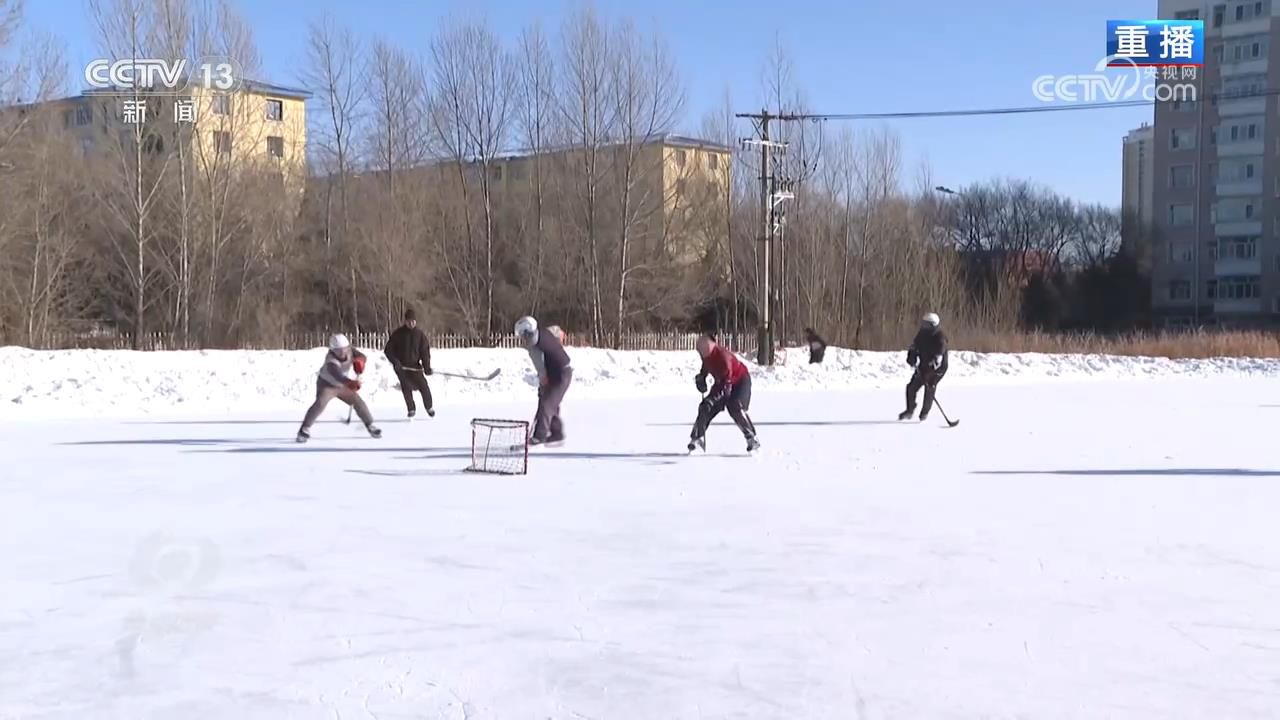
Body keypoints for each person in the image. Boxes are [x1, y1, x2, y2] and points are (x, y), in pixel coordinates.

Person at [297, 333, 382, 443]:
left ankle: (370, 424)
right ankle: (305, 428)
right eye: (338, 350)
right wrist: (350, 383)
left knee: (357, 401)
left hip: (342, 385)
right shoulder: (331, 360)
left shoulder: (350, 351)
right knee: (320, 403)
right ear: (333, 350)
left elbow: (362, 356)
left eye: (344, 349)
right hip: (327, 385)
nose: (342, 352)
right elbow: (338, 375)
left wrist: (360, 362)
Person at [689, 335, 760, 453]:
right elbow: (706, 368)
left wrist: (713, 399)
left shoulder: (723, 357)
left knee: (735, 406)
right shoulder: (707, 356)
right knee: (705, 407)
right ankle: (697, 438)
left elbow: (726, 387)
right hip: (721, 382)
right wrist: (701, 378)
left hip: (739, 381)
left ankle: (752, 438)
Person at [515, 316, 572, 445]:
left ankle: (539, 436)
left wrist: (543, 383)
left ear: (527, 333)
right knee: (551, 403)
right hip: (560, 372)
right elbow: (558, 331)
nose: (522, 339)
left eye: (522, 335)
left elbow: (541, 370)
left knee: (546, 404)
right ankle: (557, 433)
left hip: (561, 374)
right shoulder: (543, 332)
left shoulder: (534, 346)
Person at [384, 308, 434, 420]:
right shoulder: (398, 334)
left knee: (423, 386)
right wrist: (395, 362)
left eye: (413, 321)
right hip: (401, 367)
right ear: (405, 321)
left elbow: (425, 352)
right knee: (406, 387)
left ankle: (429, 407)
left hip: (415, 366)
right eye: (409, 321)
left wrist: (427, 366)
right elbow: (388, 350)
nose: (411, 323)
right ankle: (411, 409)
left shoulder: (420, 335)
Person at [898, 312, 948, 422]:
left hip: (937, 369)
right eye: (924, 324)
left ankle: (924, 413)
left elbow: (938, 360)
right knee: (911, 387)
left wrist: (929, 373)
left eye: (927, 325)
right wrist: (911, 357)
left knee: (929, 387)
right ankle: (910, 410)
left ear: (934, 325)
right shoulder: (922, 334)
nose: (925, 327)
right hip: (923, 365)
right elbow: (914, 346)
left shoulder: (940, 338)